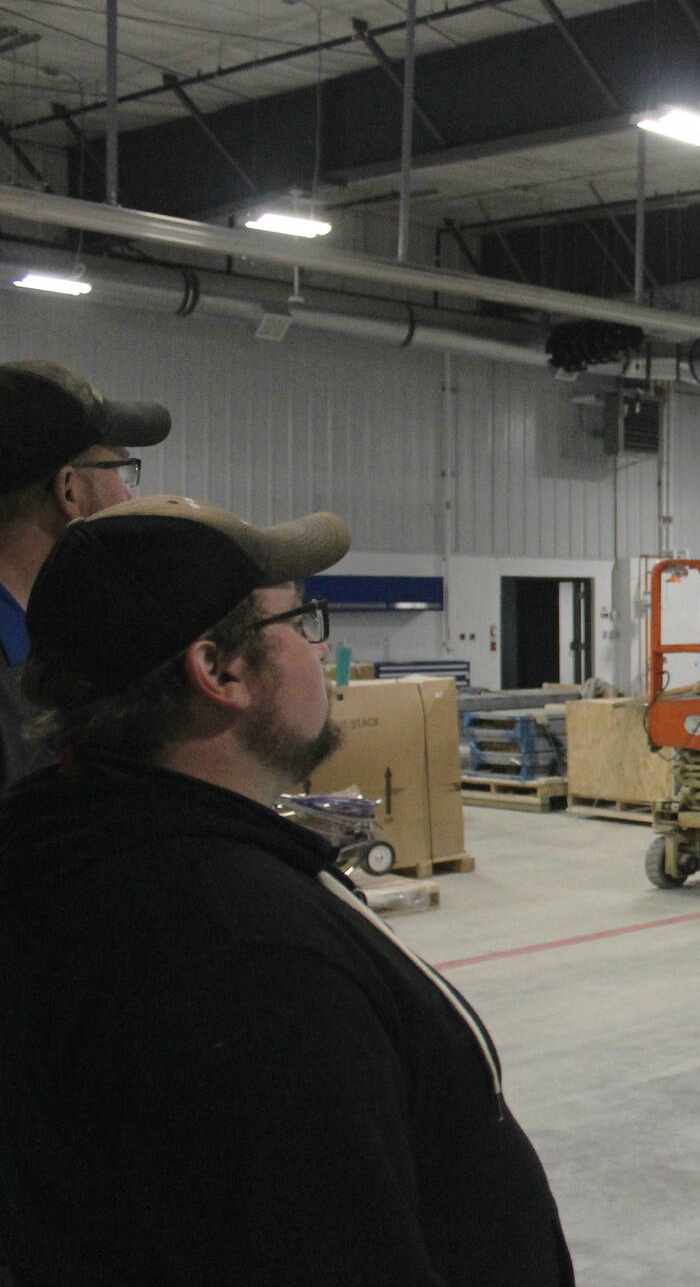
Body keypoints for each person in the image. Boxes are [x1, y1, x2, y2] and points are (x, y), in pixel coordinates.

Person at [0, 497, 574, 1285]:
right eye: (300, 624)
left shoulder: (71, 853)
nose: (321, 650)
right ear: (222, 670)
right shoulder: (245, 963)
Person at [0, 359, 171, 790]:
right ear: (70, 489)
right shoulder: (13, 677)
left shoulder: (42, 639)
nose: (129, 494)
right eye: (121, 470)